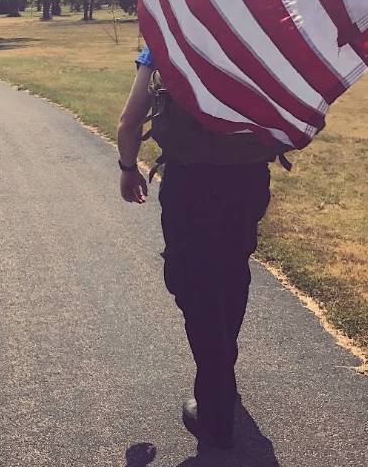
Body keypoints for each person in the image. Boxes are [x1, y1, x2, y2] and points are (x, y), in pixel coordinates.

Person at [117, 45, 273, 450]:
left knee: (194, 286)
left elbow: (129, 121)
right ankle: (222, 370)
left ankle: (215, 408)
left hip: (191, 183)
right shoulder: (257, 33)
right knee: (232, 272)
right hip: (249, 179)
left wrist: (128, 168)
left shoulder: (166, 37)